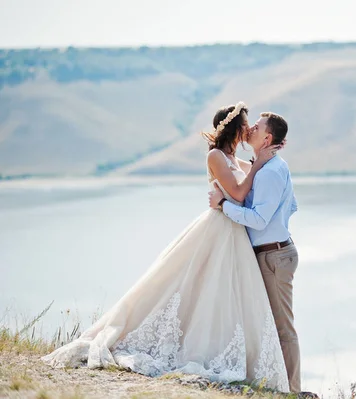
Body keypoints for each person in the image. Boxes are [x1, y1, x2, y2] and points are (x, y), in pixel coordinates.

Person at [41, 102, 290, 392]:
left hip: (235, 234)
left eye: (252, 127)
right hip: (217, 229)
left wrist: (268, 160)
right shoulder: (216, 156)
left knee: (224, 293)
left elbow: (256, 182)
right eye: (245, 126)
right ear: (234, 129)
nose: (249, 130)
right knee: (189, 285)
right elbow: (237, 191)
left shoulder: (238, 161)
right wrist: (257, 164)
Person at [209, 111, 302, 393]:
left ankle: (293, 391)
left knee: (283, 328)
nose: (251, 129)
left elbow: (259, 219)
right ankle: (275, 384)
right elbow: (292, 205)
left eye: (257, 127)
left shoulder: (271, 171)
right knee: (264, 322)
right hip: (267, 252)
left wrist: (224, 205)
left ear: (267, 138)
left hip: (274, 255)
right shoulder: (266, 167)